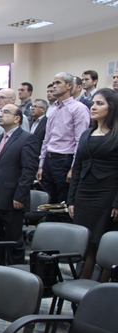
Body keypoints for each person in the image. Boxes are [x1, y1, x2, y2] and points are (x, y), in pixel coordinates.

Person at [0, 104, 40, 265]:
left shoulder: (27, 138)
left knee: (14, 241)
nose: (0, 115)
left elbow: (28, 171)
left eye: (5, 112)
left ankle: (16, 272)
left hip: (12, 199)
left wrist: (20, 195)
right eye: (0, 112)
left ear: (17, 118)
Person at [68, 88, 118, 280]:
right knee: (87, 243)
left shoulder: (116, 134)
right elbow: (77, 168)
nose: (93, 107)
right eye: (93, 103)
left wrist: (117, 202)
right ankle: (83, 288)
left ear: (111, 108)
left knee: (104, 244)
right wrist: (71, 199)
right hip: (84, 193)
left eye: (100, 103)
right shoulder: (86, 134)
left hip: (107, 194)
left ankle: (100, 291)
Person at [37, 72, 90, 205]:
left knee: (62, 203)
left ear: (69, 86)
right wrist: (41, 165)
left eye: (58, 83)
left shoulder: (79, 109)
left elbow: (80, 142)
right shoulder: (53, 109)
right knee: (48, 204)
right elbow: (46, 139)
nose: (54, 86)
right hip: (49, 160)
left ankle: (62, 226)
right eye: (53, 83)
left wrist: (73, 168)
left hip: (65, 160)